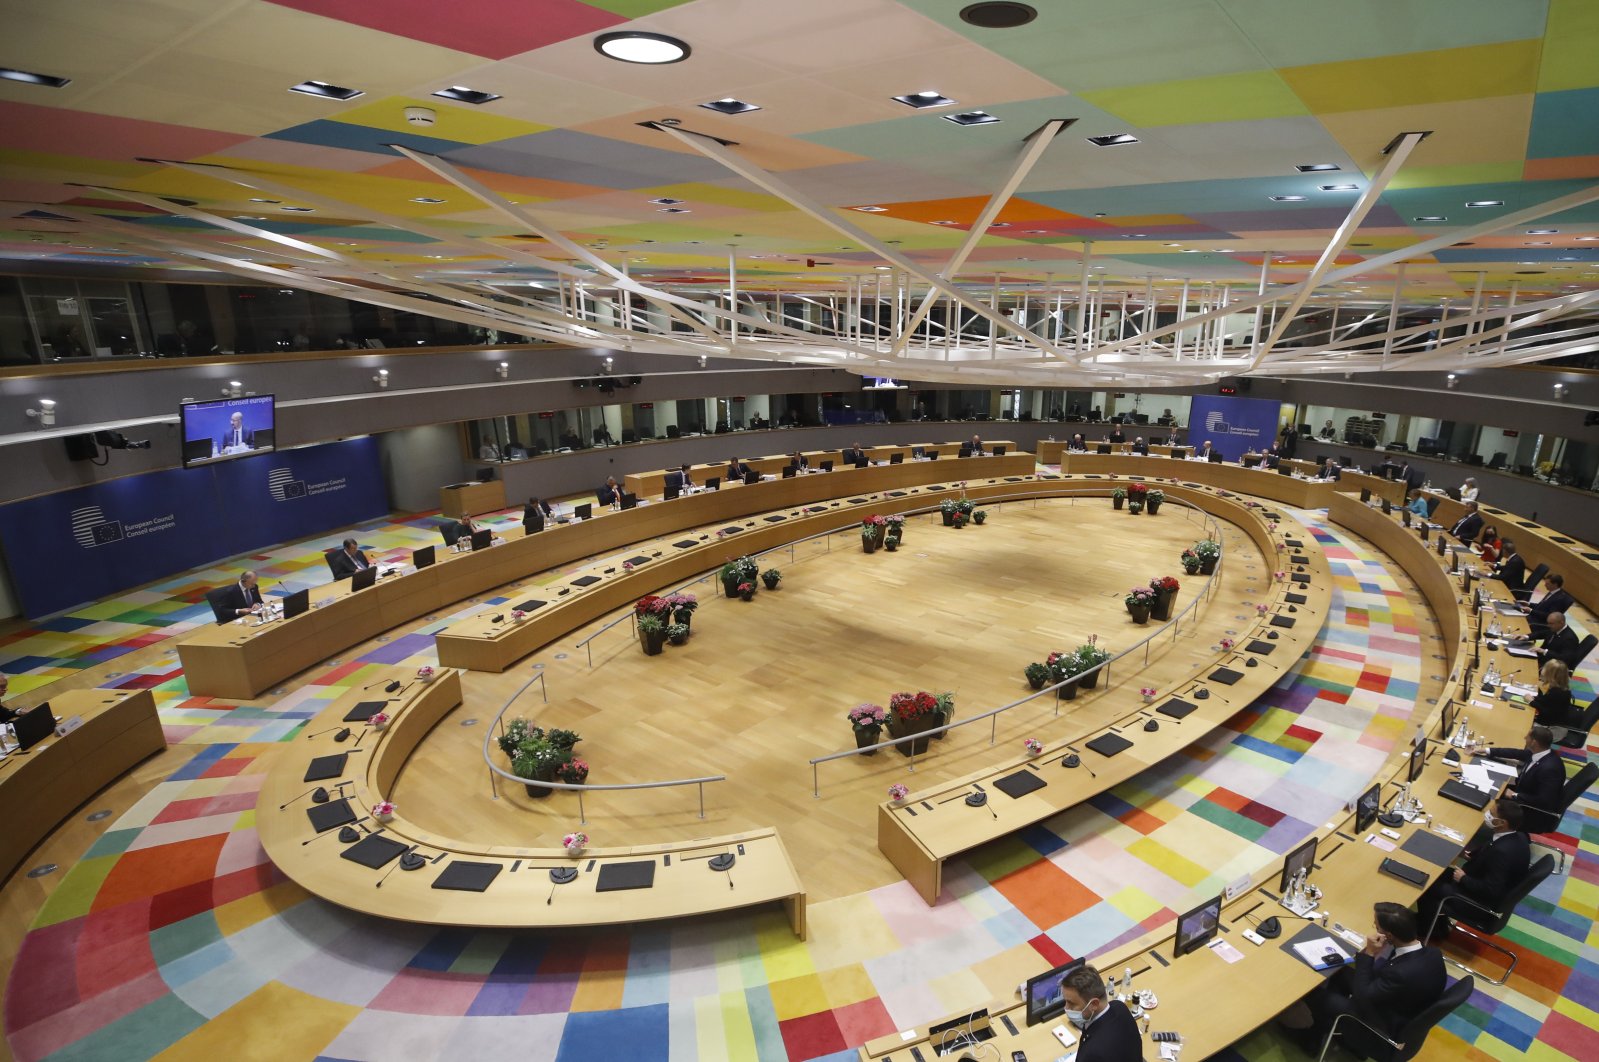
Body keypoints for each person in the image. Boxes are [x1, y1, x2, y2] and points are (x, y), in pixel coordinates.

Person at [1279, 902, 1446, 1057]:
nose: (1375, 928)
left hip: (1379, 1027)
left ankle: (1310, 1038)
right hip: (1399, 1005)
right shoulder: (1433, 953)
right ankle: (1325, 1027)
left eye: (1377, 926)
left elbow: (1362, 996)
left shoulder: (1401, 973)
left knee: (1314, 994)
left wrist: (1370, 954)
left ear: (1388, 935)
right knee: (1339, 973)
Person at [1416, 797, 1531, 937]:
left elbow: (1491, 889)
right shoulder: (1517, 837)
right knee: (1436, 869)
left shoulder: (1502, 852)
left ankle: (1429, 931)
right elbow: (1491, 851)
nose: (1487, 814)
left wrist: (1463, 879)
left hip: (1477, 902)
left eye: (1491, 814)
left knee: (1427, 884)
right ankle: (1435, 923)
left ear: (1502, 822)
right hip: (1477, 879)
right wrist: (1473, 856)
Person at [1478, 727, 1565, 833]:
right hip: (1524, 790)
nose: (1524, 738)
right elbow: (1516, 753)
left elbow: (1544, 801)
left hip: (1529, 809)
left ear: (1534, 742)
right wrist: (1487, 750)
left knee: (1486, 796)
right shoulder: (1540, 752)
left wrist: (1515, 795)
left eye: (1527, 737)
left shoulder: (1550, 769)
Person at [1057, 964, 1143, 1062]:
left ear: (1094, 1004)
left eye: (1071, 1003)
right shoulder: (1119, 1006)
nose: (1066, 1008)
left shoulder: (1093, 1054)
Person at [1528, 660, 1576, 728]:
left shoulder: (1557, 693)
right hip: (1551, 719)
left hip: (1550, 725)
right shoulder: (1559, 686)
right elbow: (1546, 701)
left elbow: (1547, 712)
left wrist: (1531, 701)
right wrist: (1535, 698)